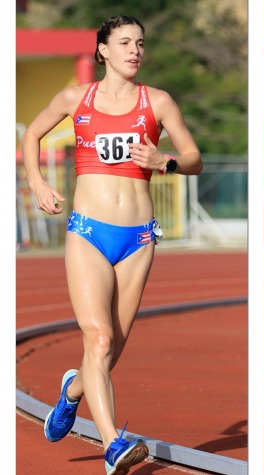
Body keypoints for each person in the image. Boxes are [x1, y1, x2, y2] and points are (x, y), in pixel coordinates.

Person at [21, 15, 202, 475]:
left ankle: (70, 393)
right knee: (98, 340)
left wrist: (167, 162)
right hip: (88, 232)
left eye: (140, 43)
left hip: (139, 238)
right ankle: (113, 446)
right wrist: (37, 181)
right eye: (123, 43)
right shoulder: (76, 97)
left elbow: (195, 158)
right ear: (102, 50)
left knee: (110, 350)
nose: (134, 51)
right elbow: (31, 134)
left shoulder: (157, 102)